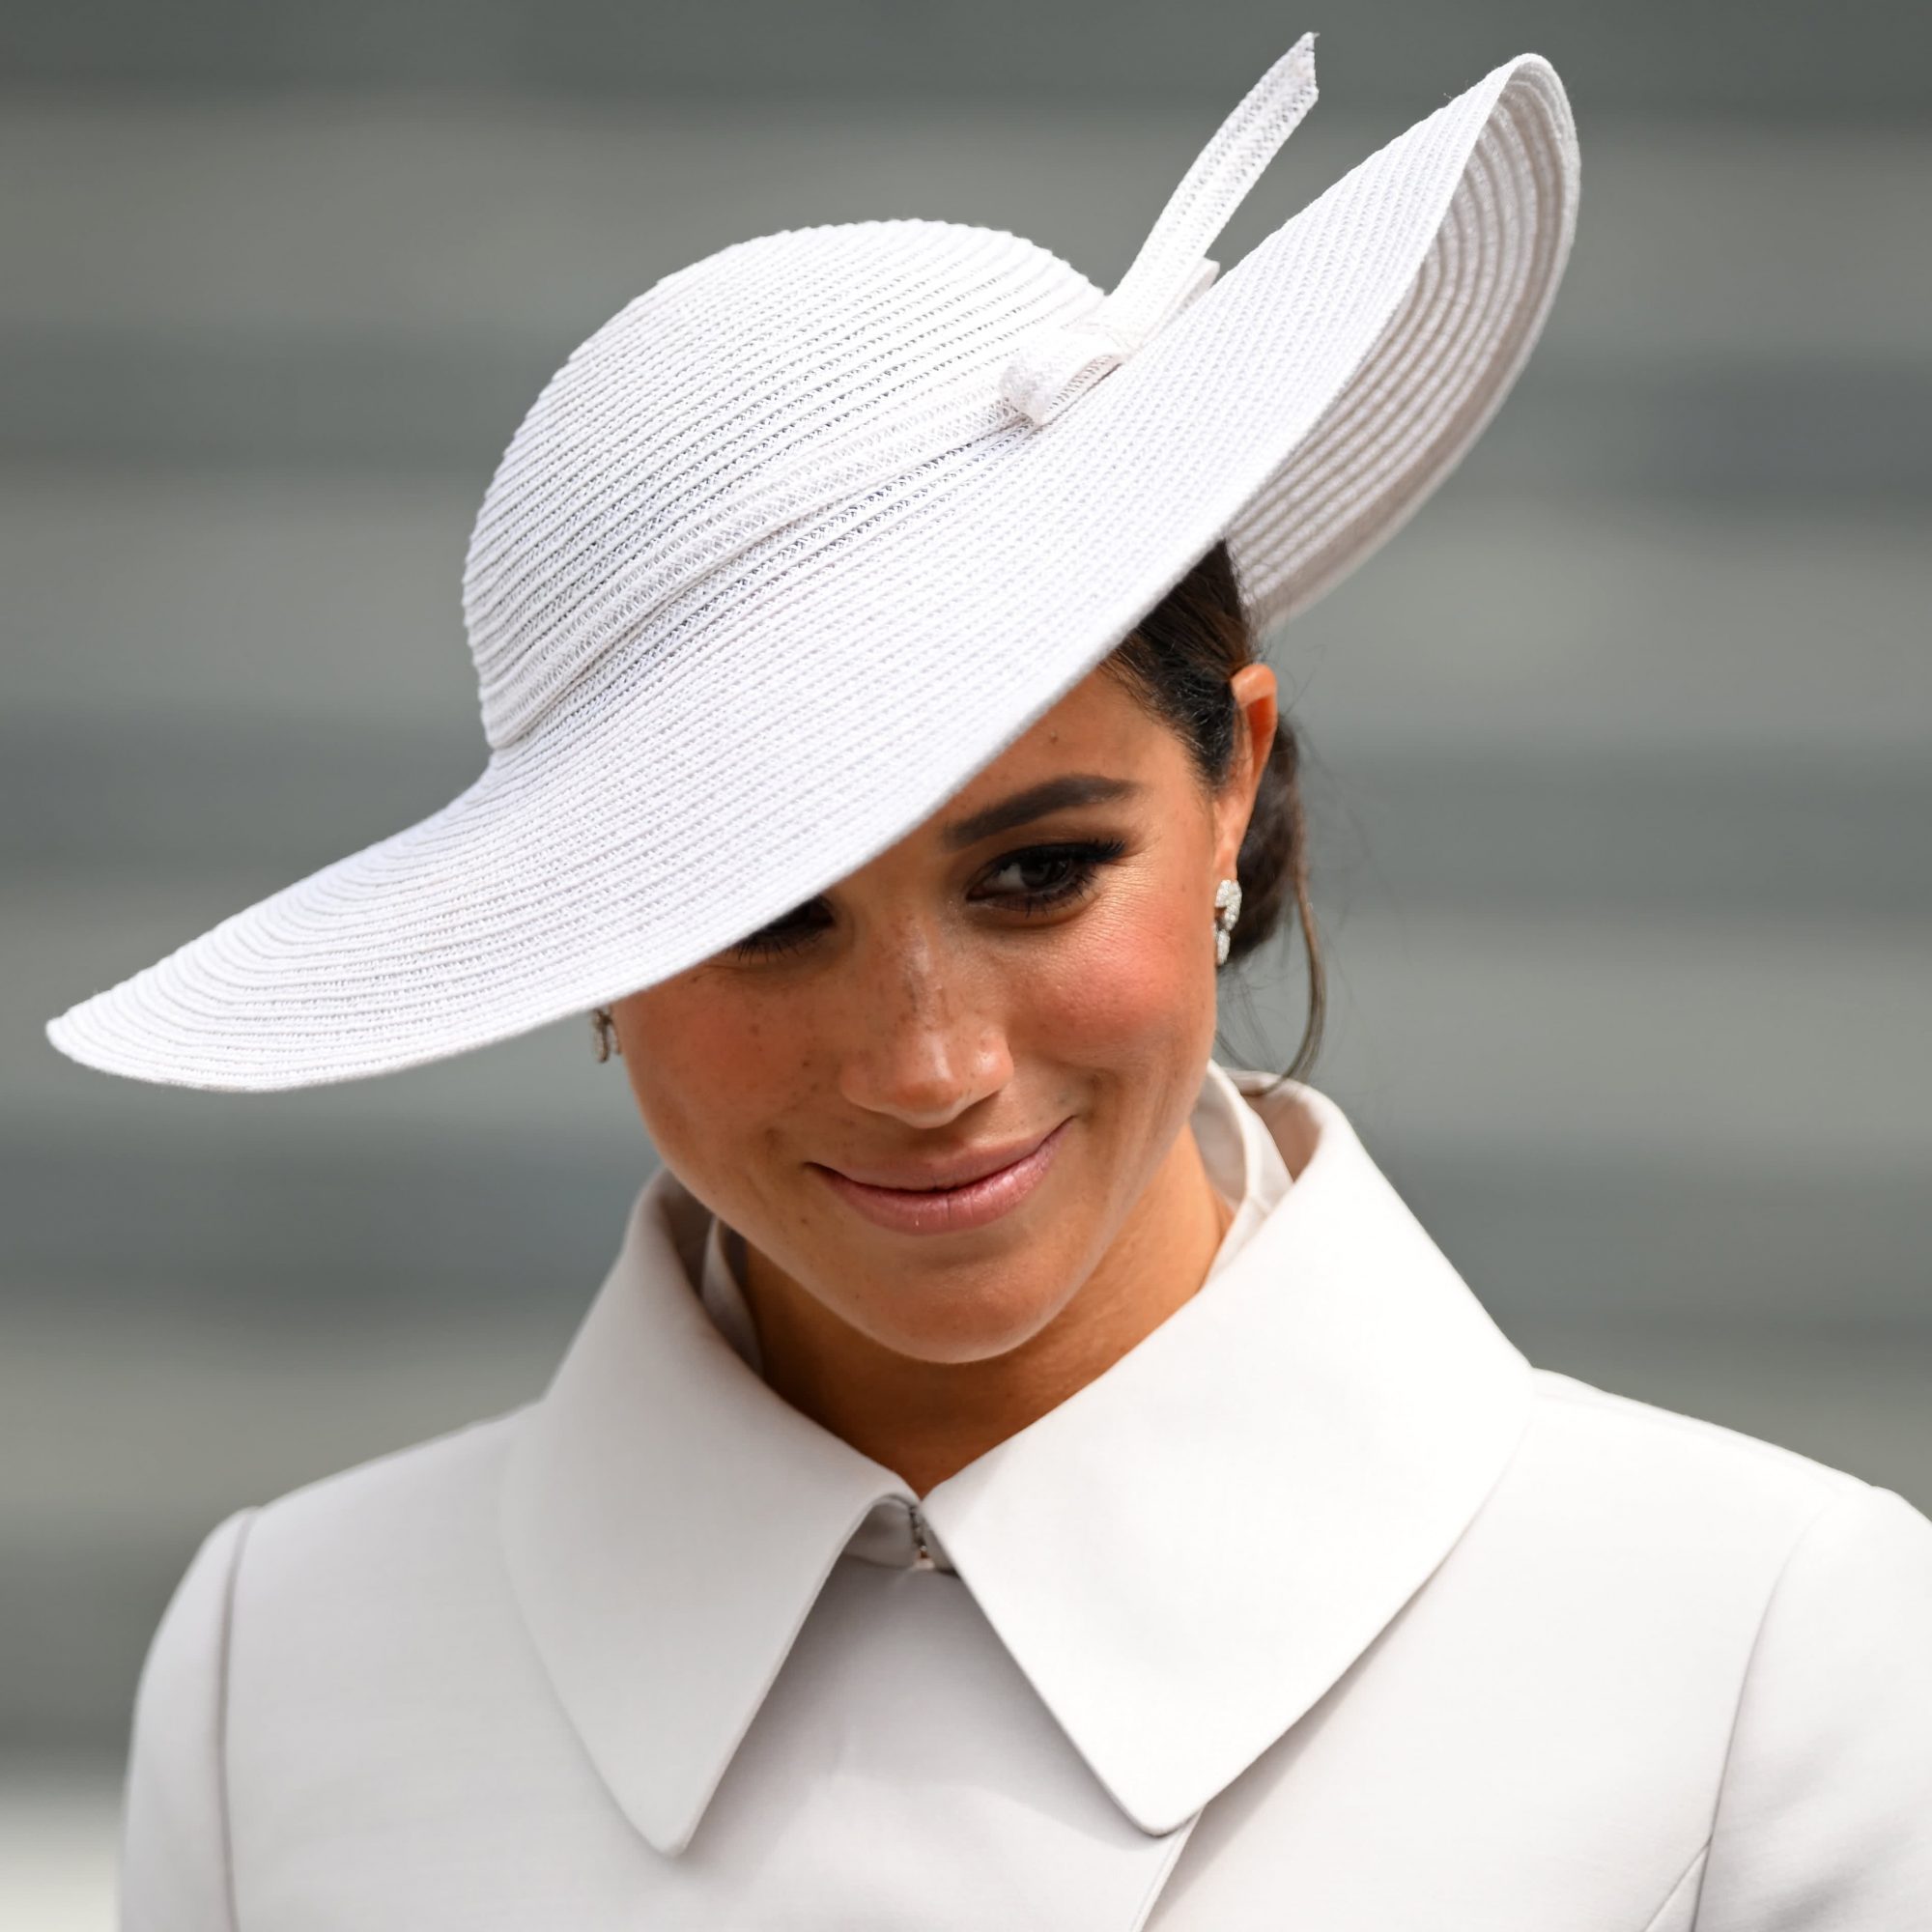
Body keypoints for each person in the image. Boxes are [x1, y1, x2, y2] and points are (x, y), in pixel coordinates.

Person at [48, 35, 1932, 1932]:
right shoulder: (277, 1669)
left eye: (1038, 873)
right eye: (764, 914)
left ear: (1230, 788)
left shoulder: (1764, 1654)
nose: (930, 1060)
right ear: (590, 952)